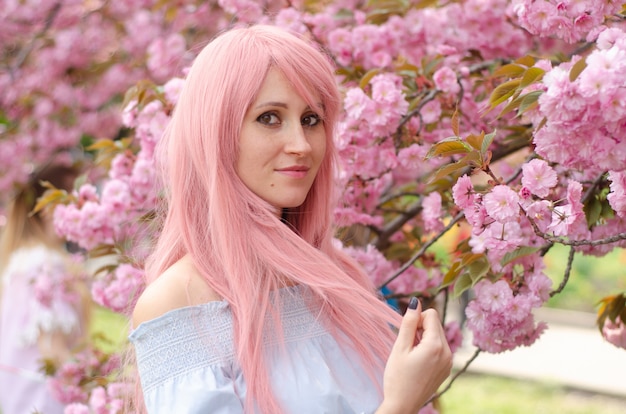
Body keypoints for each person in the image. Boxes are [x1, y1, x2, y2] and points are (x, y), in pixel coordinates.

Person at [130, 24, 452, 414]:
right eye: (269, 118)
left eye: (311, 119)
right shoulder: (181, 304)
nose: (300, 145)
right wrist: (401, 403)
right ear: (214, 134)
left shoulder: (335, 275)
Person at [0, 162, 90, 414]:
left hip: (18, 399)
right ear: (51, 208)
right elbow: (53, 348)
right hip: (48, 400)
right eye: (75, 198)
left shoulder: (21, 261)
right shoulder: (48, 265)